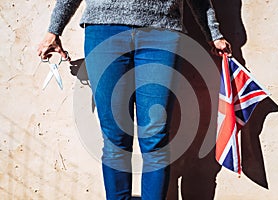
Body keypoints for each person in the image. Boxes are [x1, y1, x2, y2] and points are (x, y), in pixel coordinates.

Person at [37, 0, 231, 199]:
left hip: (162, 32)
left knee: (155, 137)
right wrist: (54, 30)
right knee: (115, 138)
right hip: (104, 31)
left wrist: (213, 33)